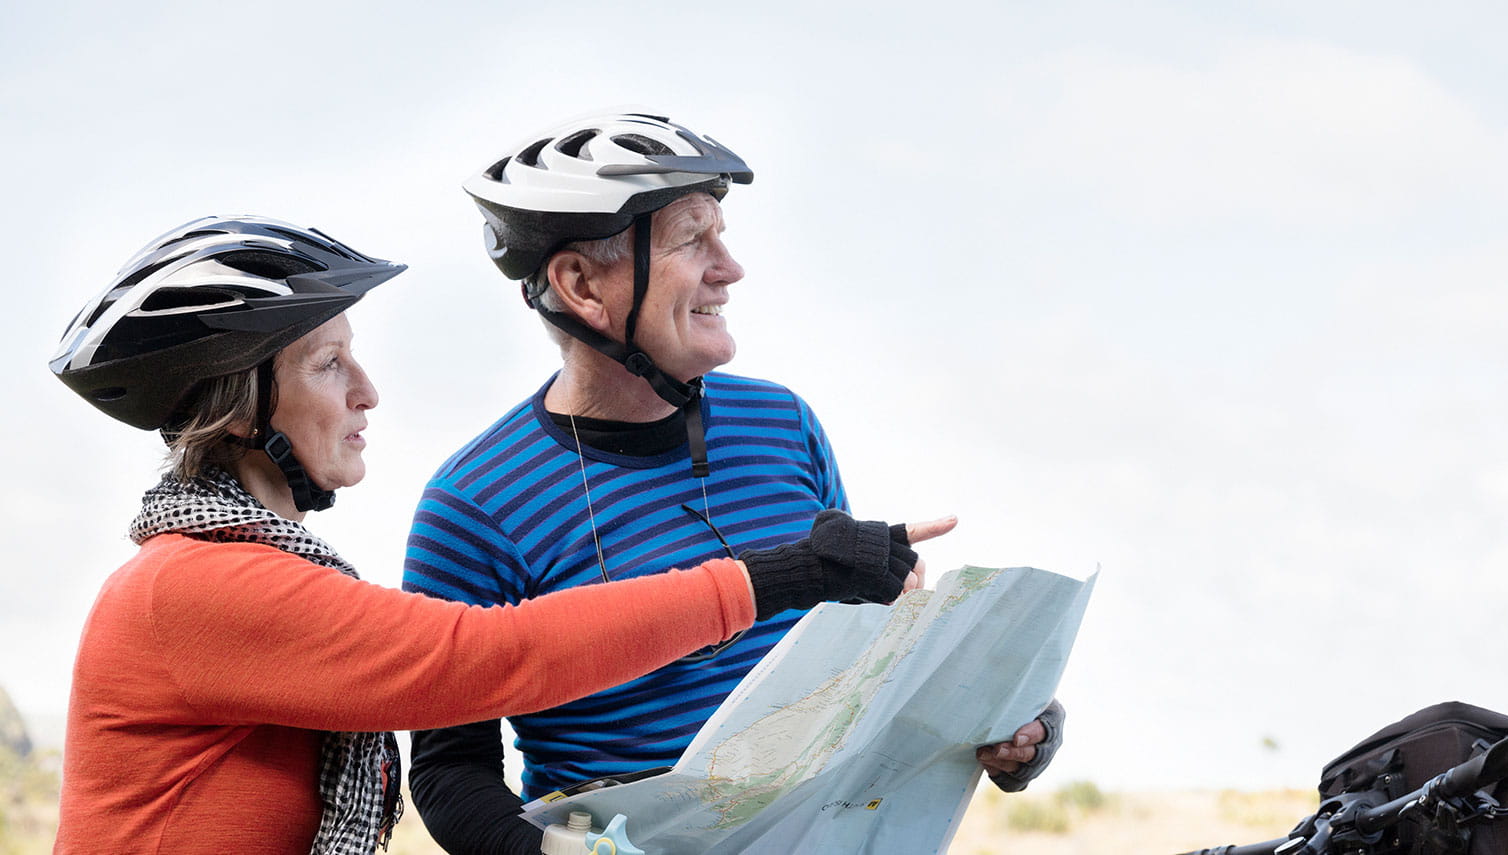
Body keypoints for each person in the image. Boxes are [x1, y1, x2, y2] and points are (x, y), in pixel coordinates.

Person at [47, 215, 940, 855]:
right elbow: (489, 657)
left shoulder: (228, 570)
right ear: (243, 409)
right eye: (328, 364)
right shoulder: (192, 586)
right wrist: (774, 576)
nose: (366, 391)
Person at [402, 110, 1064, 854]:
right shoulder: (473, 504)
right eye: (693, 239)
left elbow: (855, 662)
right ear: (582, 284)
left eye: (722, 234)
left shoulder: (781, 421)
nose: (730, 268)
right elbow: (449, 770)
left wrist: (1001, 716)